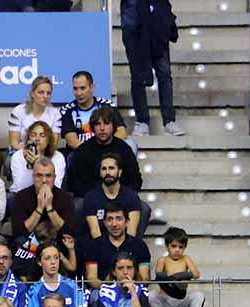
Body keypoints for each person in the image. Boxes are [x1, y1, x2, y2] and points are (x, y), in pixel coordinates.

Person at [121, 0, 183, 137]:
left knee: (165, 75)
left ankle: (169, 121)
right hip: (134, 28)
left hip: (158, 26)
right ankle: (142, 121)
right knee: (138, 77)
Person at [64, 106, 143, 200]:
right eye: (98, 124)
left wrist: (119, 196)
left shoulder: (124, 149)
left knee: (144, 209)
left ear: (113, 126)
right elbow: (75, 183)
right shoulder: (83, 150)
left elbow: (135, 180)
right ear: (93, 127)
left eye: (106, 124)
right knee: (77, 206)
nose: (102, 128)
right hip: (91, 199)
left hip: (120, 199)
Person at [150, 227, 204, 307]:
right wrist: (169, 281)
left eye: (181, 247)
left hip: (181, 299)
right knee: (150, 295)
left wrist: (181, 276)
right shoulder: (162, 260)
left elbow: (196, 274)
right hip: (166, 298)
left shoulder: (186, 259)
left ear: (185, 247)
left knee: (199, 296)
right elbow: (159, 276)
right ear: (167, 246)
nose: (177, 250)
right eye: (173, 246)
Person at [86, 204, 151, 289]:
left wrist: (132, 285)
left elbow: (145, 279)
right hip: (102, 291)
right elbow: (92, 278)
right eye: (110, 219)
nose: (114, 224)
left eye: (119, 219)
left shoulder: (140, 246)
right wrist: (109, 289)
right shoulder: (94, 246)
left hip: (133, 290)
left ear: (127, 221)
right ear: (104, 223)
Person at [60, 70, 127, 150]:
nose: (79, 93)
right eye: (75, 89)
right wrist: (93, 152)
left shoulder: (108, 105)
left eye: (82, 88)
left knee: (130, 145)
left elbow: (121, 132)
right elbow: (72, 141)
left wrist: (105, 148)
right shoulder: (67, 110)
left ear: (91, 87)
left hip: (109, 150)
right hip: (82, 153)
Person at [84, 153, 145, 239]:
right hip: (100, 247)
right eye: (104, 169)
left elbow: (131, 232)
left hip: (126, 247)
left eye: (111, 168)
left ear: (119, 172)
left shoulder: (131, 196)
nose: (107, 172)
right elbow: (95, 232)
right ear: (100, 173)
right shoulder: (91, 197)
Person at [26, 243, 82, 307]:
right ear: (39, 262)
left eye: (56, 258)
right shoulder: (34, 290)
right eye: (47, 258)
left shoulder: (72, 286)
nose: (53, 262)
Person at [9, 121, 66, 194]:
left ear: (48, 140)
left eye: (42, 135)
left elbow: (56, 186)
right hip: (22, 196)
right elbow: (21, 187)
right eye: (33, 135)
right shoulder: (17, 156)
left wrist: (38, 163)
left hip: (50, 194)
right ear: (28, 139)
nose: (37, 139)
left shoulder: (58, 157)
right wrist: (31, 167)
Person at [7, 77, 61, 152]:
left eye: (48, 93)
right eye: (41, 92)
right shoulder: (18, 111)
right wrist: (32, 152)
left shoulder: (56, 114)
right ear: (32, 94)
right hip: (21, 151)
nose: (45, 96)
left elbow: (53, 144)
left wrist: (40, 155)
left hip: (46, 153)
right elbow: (14, 143)